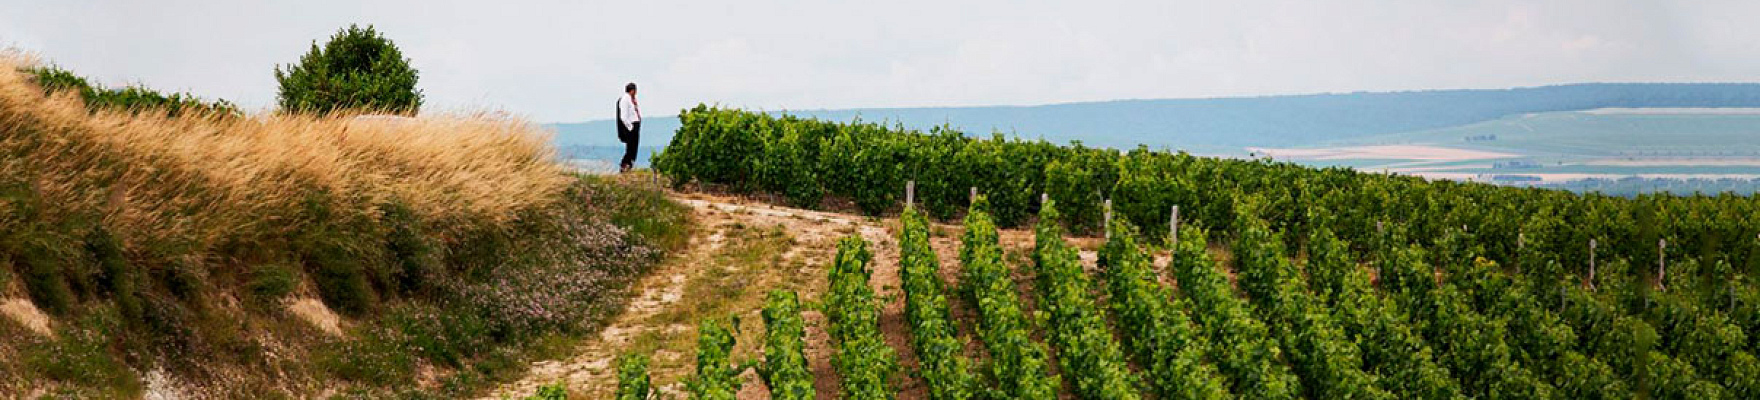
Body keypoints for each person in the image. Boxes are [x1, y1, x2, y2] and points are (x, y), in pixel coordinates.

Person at [616, 82, 642, 173]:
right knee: (630, 149)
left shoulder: (632, 99)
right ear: (632, 90)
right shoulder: (625, 100)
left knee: (634, 149)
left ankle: (629, 166)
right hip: (630, 126)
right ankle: (624, 167)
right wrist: (630, 127)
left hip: (635, 124)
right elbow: (623, 116)